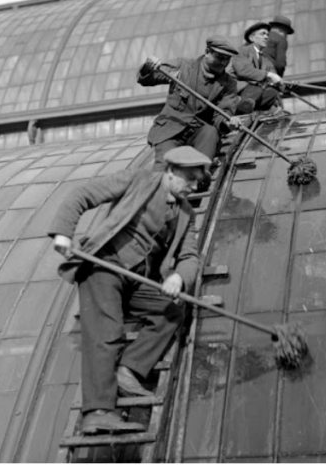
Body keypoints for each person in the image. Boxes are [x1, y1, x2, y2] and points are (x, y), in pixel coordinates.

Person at [48, 147, 209, 434]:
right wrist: (63, 232)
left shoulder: (186, 214)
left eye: (198, 181)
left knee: (172, 309)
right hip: (105, 265)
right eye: (190, 178)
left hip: (138, 280)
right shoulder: (137, 180)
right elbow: (82, 195)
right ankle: (98, 411)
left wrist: (179, 280)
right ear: (170, 172)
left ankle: (130, 369)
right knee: (106, 331)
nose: (195, 186)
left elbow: (189, 257)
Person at [138, 35, 244, 172]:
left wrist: (228, 122)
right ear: (207, 52)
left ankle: (199, 174)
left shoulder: (229, 83)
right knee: (164, 170)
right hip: (170, 130)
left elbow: (223, 114)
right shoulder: (182, 66)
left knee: (210, 132)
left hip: (199, 133)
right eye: (220, 58)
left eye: (227, 59)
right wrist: (148, 68)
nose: (224, 63)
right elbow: (148, 79)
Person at [229, 22, 284, 112]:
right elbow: (243, 70)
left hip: (255, 94)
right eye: (262, 34)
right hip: (236, 92)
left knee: (271, 93)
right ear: (252, 38)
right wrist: (268, 75)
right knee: (256, 89)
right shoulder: (242, 51)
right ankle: (242, 110)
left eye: (267, 34)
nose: (266, 37)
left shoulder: (266, 61)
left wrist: (282, 85)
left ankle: (253, 109)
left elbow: (275, 76)